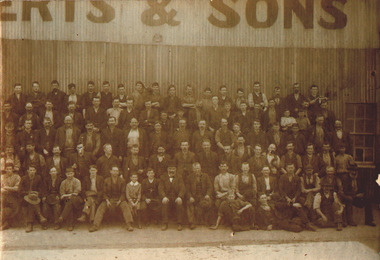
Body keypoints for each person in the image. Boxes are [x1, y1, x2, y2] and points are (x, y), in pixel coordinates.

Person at [90, 166, 134, 232]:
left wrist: (120, 200)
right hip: (109, 199)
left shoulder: (122, 180)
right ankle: (95, 226)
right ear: (110, 171)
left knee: (125, 206)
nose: (115, 172)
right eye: (114, 171)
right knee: (101, 207)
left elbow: (123, 192)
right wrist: (107, 200)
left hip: (119, 199)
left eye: (117, 171)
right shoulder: (106, 180)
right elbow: (104, 192)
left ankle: (129, 225)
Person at [278, 164, 317, 231]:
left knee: (302, 201)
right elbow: (280, 189)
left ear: (294, 169)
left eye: (292, 168)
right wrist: (287, 197)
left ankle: (309, 221)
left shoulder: (297, 178)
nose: (290, 169)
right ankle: (306, 223)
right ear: (286, 169)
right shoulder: (282, 177)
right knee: (295, 206)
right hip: (285, 197)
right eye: (289, 168)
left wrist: (295, 197)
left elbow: (299, 190)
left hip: (294, 197)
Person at [159, 161, 186, 231]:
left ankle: (179, 223)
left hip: (176, 196)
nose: (171, 170)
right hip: (167, 196)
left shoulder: (179, 177)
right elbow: (160, 189)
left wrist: (180, 196)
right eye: (170, 168)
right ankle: (165, 223)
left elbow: (182, 188)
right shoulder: (163, 177)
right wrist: (164, 197)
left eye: (173, 168)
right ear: (167, 169)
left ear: (176, 169)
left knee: (179, 203)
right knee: (164, 204)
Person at [18, 165, 46, 232]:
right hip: (25, 197)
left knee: (32, 202)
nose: (32, 172)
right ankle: (39, 216)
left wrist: (37, 193)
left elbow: (42, 189)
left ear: (35, 171)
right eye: (30, 170)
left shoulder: (38, 178)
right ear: (27, 171)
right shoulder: (24, 178)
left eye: (33, 170)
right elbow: (20, 190)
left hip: (35, 197)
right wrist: (28, 193)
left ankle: (30, 224)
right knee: (31, 202)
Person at [185, 162, 213, 228]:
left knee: (209, 203)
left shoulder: (205, 176)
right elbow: (187, 189)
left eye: (198, 168)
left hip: (203, 196)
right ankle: (192, 222)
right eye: (195, 169)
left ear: (200, 168)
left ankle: (206, 221)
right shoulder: (189, 177)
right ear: (192, 169)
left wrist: (208, 194)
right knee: (189, 204)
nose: (197, 170)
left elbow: (210, 187)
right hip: (194, 196)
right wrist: (190, 197)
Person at [1, 163, 21, 230]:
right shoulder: (2, 177)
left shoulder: (17, 177)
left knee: (14, 209)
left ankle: (7, 223)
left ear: (12, 169)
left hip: (14, 196)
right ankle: (3, 223)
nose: (8, 170)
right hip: (3, 195)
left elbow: (16, 188)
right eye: (7, 169)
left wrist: (6, 187)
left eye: (10, 169)